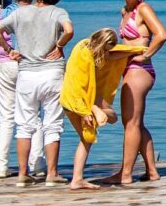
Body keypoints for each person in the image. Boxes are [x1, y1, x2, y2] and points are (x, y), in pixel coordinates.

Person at [0, 0, 73, 186]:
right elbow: (69, 30)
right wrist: (59, 45)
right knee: (53, 124)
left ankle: (22, 174)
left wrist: (10, 50)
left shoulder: (21, 13)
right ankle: (51, 174)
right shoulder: (58, 12)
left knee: (24, 125)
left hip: (27, 74)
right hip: (52, 73)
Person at [105, 0, 166, 186]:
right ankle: (151, 171)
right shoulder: (125, 11)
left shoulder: (143, 9)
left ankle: (125, 174)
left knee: (130, 124)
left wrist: (146, 55)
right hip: (129, 69)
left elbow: (161, 34)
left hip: (139, 70)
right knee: (136, 124)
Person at [59, 28, 140, 190]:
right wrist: (84, 112)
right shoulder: (84, 57)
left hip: (81, 100)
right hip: (76, 102)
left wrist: (136, 51)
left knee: (89, 136)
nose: (106, 53)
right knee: (87, 137)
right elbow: (78, 84)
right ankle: (77, 179)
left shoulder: (87, 46)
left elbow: (112, 55)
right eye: (105, 49)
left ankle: (77, 179)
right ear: (101, 43)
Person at [0, 0, 36, 178]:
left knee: (6, 116)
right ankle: (37, 164)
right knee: (33, 116)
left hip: (6, 64)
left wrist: (7, 48)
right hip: (29, 64)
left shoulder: (4, 14)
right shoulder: (37, 13)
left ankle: (1, 167)